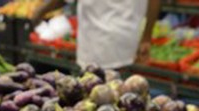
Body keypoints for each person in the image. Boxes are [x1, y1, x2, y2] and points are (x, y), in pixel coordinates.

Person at [30, 0, 161, 71]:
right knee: (123, 97)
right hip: (125, 38)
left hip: (96, 44)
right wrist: (146, 37)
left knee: (94, 94)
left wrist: (40, 12)